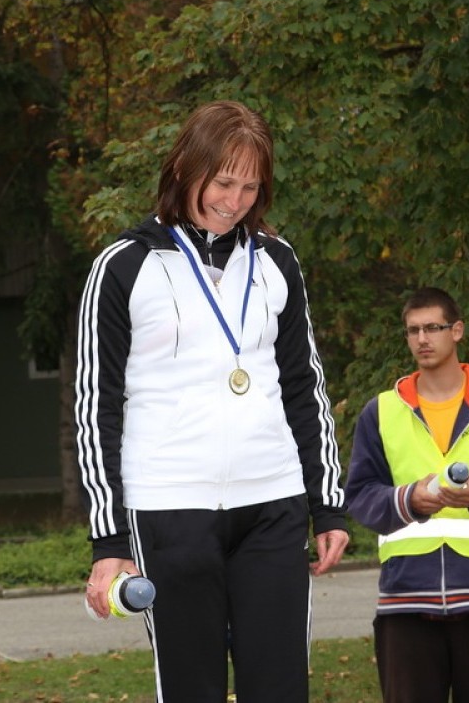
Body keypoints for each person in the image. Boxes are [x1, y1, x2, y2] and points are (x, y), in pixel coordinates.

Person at [75, 100, 349, 703]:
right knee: (192, 689)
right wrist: (108, 540)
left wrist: (327, 506)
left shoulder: (277, 261)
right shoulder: (123, 266)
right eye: (224, 182)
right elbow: (96, 409)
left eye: (251, 187)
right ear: (183, 167)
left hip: (273, 502)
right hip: (171, 508)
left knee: (280, 688)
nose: (235, 200)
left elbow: (305, 387)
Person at [344, 287, 469, 703]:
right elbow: (361, 497)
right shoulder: (381, 411)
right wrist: (408, 502)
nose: (422, 339)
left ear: (457, 331)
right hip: (405, 603)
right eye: (413, 330)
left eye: (433, 328)